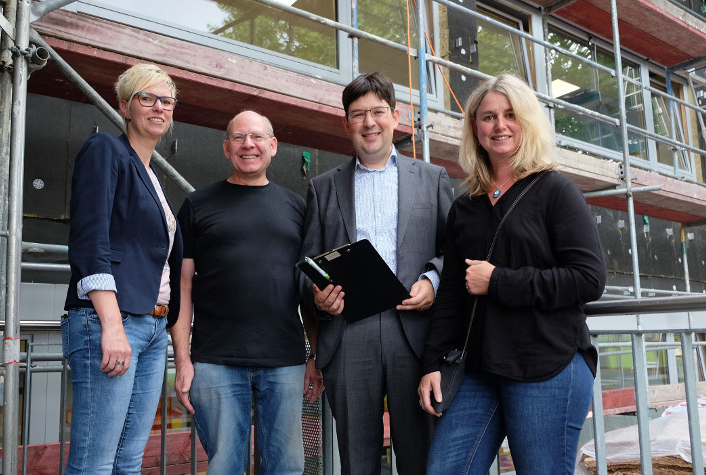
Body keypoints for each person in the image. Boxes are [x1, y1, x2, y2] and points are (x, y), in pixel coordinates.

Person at [417, 73, 607, 475]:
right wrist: (432, 362)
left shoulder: (556, 190)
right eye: (488, 117)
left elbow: (589, 278)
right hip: (479, 370)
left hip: (547, 365)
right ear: (475, 128)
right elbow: (452, 291)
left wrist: (498, 280)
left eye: (509, 115)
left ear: (527, 122)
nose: (499, 125)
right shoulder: (465, 206)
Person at [300, 72, 453, 474]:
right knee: (356, 460)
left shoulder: (432, 178)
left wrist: (433, 282)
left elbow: (452, 251)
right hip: (348, 334)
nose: (369, 122)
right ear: (345, 122)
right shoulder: (322, 188)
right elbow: (306, 267)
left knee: (421, 456)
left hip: (416, 334)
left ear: (396, 116)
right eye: (358, 114)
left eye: (378, 112)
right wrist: (318, 296)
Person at [169, 110, 323, 474]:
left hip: (285, 359)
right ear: (226, 148)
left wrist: (315, 355)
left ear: (273, 146)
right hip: (214, 359)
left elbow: (308, 290)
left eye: (256, 137)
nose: (248, 144)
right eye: (238, 137)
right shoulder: (197, 205)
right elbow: (182, 285)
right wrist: (182, 359)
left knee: (286, 467)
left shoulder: (297, 208)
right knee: (225, 466)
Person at [62, 63, 183, 474]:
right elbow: (89, 240)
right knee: (95, 463)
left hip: (151, 328)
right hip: (111, 322)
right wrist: (111, 325)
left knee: (128, 460)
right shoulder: (105, 151)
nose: (158, 107)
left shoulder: (151, 174)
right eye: (145, 98)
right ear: (124, 106)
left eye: (166, 100)